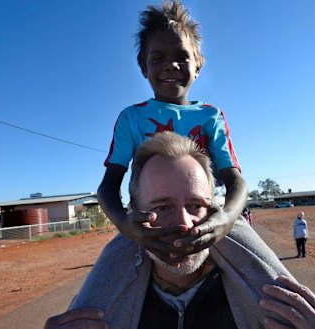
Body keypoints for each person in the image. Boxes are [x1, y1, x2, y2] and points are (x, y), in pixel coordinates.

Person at [45, 132, 315, 329]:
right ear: (132, 210)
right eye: (162, 206)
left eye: (197, 205)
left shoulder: (255, 296)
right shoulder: (107, 305)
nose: (184, 223)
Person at [97, 0, 247, 263]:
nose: (171, 65)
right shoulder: (131, 118)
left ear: (198, 66)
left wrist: (225, 219)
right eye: (158, 58)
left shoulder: (211, 116)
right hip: (149, 227)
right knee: (104, 281)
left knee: (263, 269)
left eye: (182, 57)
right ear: (143, 67)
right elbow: (108, 186)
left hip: (205, 220)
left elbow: (236, 181)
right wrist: (127, 226)